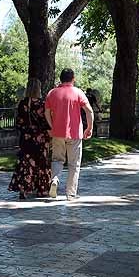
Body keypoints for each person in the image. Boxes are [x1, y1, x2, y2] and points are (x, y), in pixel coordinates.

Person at [44, 69, 94, 200]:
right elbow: (89, 111)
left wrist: (51, 126)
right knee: (74, 164)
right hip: (75, 133)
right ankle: (71, 193)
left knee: (57, 159)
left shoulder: (52, 93)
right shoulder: (78, 92)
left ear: (60, 79)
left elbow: (46, 112)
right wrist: (89, 127)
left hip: (57, 132)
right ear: (73, 78)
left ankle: (55, 179)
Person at [9, 78, 53, 200]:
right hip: (40, 138)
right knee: (42, 163)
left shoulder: (22, 104)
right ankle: (42, 189)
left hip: (26, 138)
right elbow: (46, 122)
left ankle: (24, 189)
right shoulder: (42, 104)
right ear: (38, 89)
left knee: (26, 163)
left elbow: (18, 122)